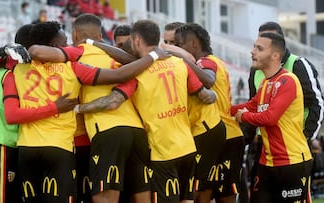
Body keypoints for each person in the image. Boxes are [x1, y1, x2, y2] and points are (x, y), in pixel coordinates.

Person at [12, 21, 168, 203]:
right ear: (100, 36)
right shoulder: (116, 56)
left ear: (76, 35)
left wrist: (77, 108)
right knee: (140, 195)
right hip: (137, 131)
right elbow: (128, 72)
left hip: (102, 132)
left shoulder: (74, 56)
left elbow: (36, 52)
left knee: (103, 196)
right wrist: (154, 56)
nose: (67, 44)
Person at [75, 19, 218, 203]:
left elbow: (112, 102)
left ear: (136, 40)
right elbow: (206, 96)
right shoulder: (178, 64)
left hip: (163, 152)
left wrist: (79, 107)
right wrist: (214, 96)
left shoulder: (139, 72)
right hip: (188, 147)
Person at [0, 24, 77, 203]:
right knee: (1, 199)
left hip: (4, 142)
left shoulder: (5, 70)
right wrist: (55, 108)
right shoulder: (13, 74)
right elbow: (13, 115)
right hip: (0, 141)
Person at [244, 21, 324, 200]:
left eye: (270, 39)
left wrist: (304, 137)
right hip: (265, 149)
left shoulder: (298, 64)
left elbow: (317, 103)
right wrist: (245, 141)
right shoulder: (256, 71)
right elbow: (253, 106)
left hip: (294, 150)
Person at [232, 32, 313, 203]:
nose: (252, 52)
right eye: (254, 46)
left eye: (259, 48)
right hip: (267, 163)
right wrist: (220, 109)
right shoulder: (265, 83)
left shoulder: (288, 81)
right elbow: (250, 105)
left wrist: (244, 117)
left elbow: (270, 118)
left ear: (275, 55)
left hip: (292, 163)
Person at [174, 23, 245, 203]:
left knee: (211, 192)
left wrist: (183, 59)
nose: (177, 49)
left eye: (179, 45)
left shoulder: (206, 62)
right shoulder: (215, 61)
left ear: (193, 44)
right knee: (213, 191)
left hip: (223, 134)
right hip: (226, 134)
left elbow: (208, 79)